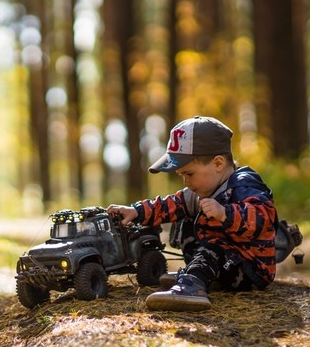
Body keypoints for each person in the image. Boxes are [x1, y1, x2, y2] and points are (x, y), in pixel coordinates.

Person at [107, 116, 277, 312]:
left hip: (250, 269)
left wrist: (225, 213)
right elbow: (170, 205)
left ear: (218, 164)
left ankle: (193, 284)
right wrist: (136, 211)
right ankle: (199, 274)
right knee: (186, 217)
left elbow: (263, 217)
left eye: (189, 174)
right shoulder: (202, 191)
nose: (186, 182)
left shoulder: (244, 184)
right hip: (225, 265)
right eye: (182, 176)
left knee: (215, 247)